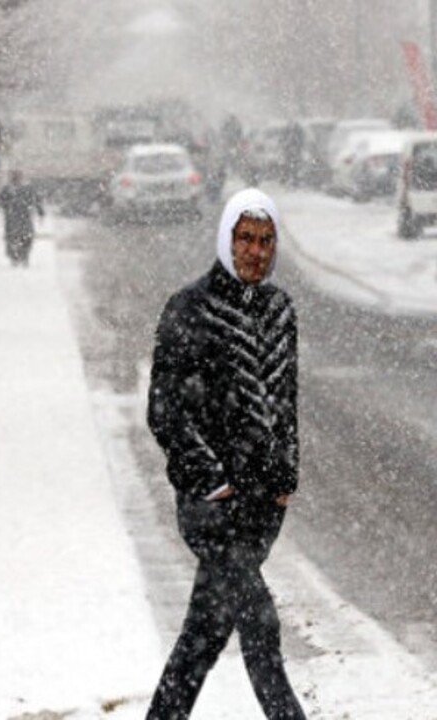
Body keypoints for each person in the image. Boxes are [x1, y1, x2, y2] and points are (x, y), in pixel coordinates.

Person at [145, 188, 305, 719]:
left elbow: (286, 403)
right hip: (211, 507)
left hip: (261, 510)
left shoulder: (282, 310)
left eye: (265, 240)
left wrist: (286, 475)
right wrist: (210, 479)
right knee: (260, 624)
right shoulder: (189, 308)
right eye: (244, 238)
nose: (255, 251)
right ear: (225, 239)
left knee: (202, 639)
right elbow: (165, 409)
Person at [0, 170, 45, 266]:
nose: (16, 179)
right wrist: (8, 206)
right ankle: (15, 256)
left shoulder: (27, 189)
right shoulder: (8, 189)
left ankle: (23, 255)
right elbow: (0, 201)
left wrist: (40, 211)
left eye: (17, 177)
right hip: (13, 217)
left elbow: (36, 200)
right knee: (13, 237)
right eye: (14, 177)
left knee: (25, 237)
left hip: (23, 216)